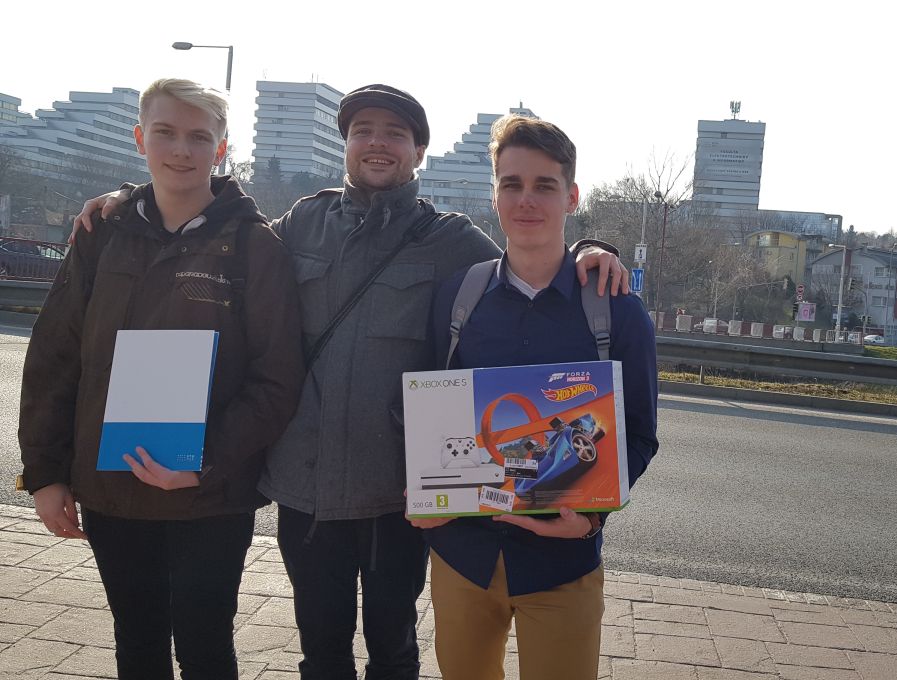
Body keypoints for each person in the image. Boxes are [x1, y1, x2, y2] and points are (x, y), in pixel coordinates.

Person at [72, 83, 629, 680]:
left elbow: (524, 261)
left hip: (398, 494)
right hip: (305, 488)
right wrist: (133, 198)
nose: (377, 143)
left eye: (395, 133)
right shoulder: (302, 223)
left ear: (419, 151)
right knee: (322, 653)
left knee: (394, 650)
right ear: (346, 144)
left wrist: (590, 249)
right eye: (363, 130)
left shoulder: (450, 240)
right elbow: (216, 228)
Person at [19, 78, 304, 680]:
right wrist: (45, 474)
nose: (181, 149)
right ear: (139, 138)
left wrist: (205, 462)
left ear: (221, 149)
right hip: (113, 489)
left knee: (206, 646)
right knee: (137, 642)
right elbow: (55, 357)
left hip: (211, 495)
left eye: (199, 137)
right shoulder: (101, 234)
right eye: (165, 132)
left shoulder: (256, 246)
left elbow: (277, 379)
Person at [414, 114, 659, 680]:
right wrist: (421, 489)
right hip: (463, 556)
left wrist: (592, 518)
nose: (526, 199)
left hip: (562, 561)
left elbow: (640, 436)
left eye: (544, 185)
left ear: (571, 197)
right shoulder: (458, 298)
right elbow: (427, 413)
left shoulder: (616, 308)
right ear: (495, 195)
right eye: (512, 184)